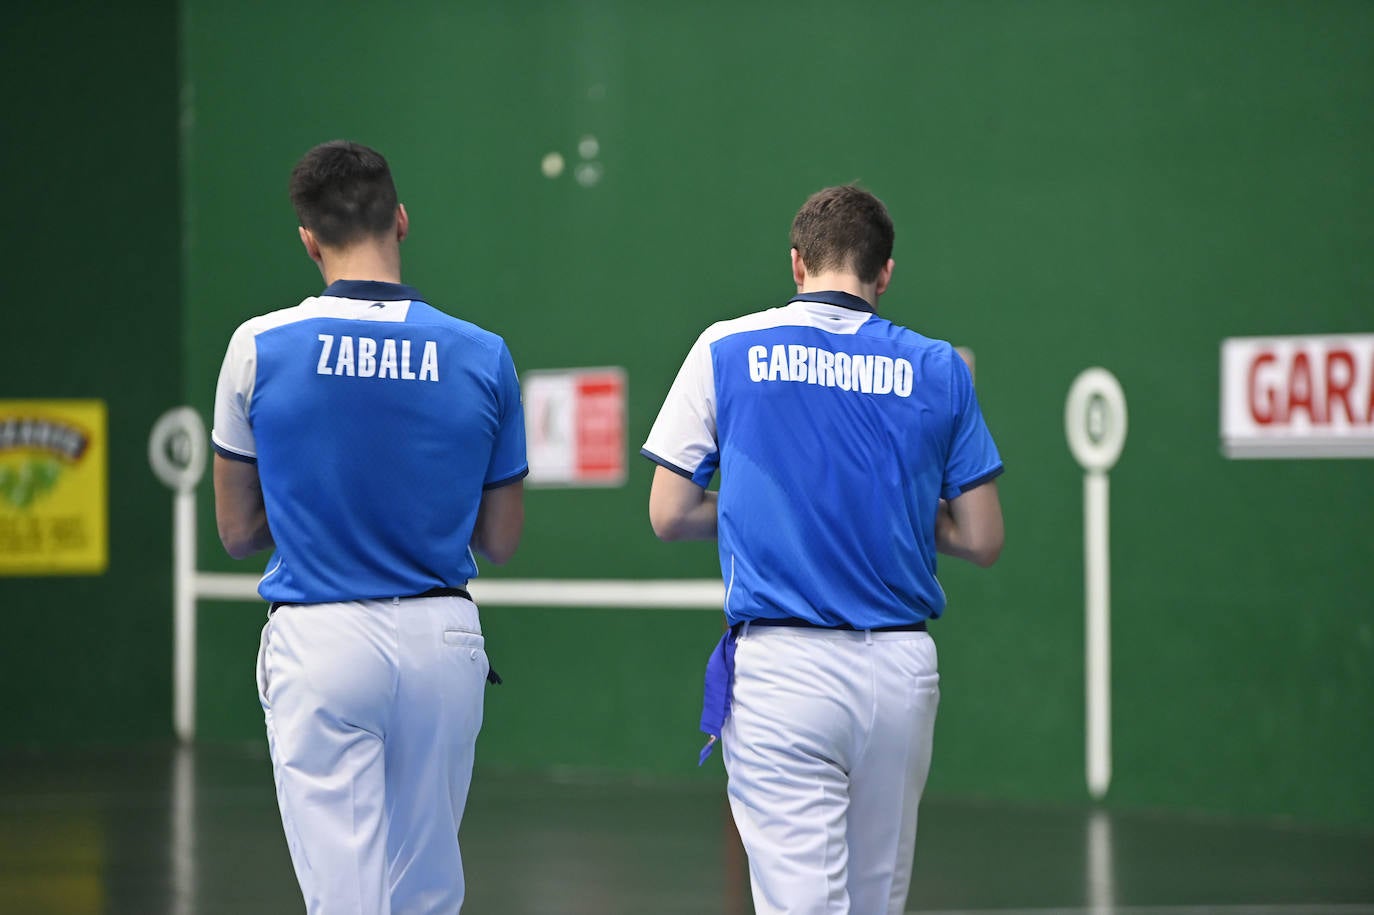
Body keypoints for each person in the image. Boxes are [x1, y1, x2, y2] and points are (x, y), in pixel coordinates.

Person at [641, 184, 1004, 915]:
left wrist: (779, 505)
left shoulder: (725, 345)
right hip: (901, 674)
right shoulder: (939, 368)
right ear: (886, 272)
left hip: (784, 674)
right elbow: (984, 537)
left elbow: (669, 511)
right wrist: (885, 509)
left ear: (797, 264)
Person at [211, 139, 527, 914]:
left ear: (308, 240)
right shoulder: (484, 355)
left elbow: (237, 530)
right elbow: (501, 537)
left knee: (345, 899)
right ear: (403, 220)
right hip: (443, 644)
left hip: (322, 643)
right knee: (425, 890)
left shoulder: (256, 347)